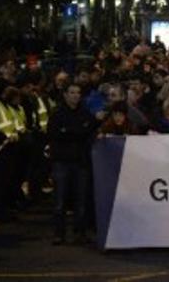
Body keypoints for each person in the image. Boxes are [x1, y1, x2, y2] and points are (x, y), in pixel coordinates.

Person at [48, 84, 96, 245]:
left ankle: (79, 233)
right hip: (61, 161)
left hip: (80, 162)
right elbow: (55, 134)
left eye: (78, 92)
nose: (76, 95)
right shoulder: (57, 114)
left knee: (80, 200)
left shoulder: (85, 113)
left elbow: (88, 131)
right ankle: (58, 234)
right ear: (65, 95)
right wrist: (78, 131)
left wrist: (68, 131)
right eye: (72, 92)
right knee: (59, 201)